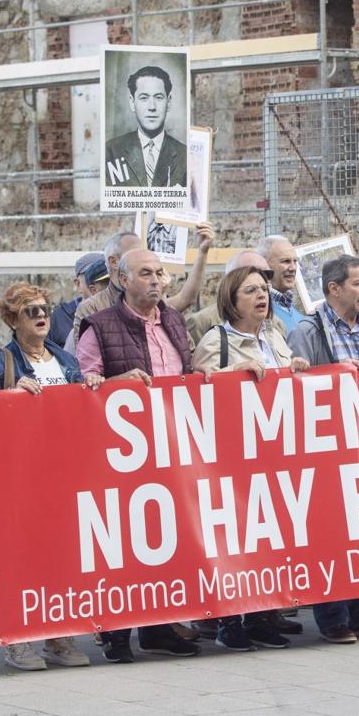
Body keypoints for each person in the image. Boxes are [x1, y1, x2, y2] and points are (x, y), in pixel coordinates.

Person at [76, 248, 202, 660]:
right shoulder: (100, 325)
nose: (155, 280)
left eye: (160, 273)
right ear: (123, 280)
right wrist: (118, 383)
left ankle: (158, 627)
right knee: (126, 543)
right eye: (145, 273)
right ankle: (116, 633)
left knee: (164, 538)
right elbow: (83, 384)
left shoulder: (174, 320)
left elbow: (186, 371)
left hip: (170, 446)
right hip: (123, 451)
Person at [0, 284, 98, 669]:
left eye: (44, 309)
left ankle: (59, 635)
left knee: (61, 558)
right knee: (22, 560)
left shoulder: (65, 360)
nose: (42, 316)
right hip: (19, 478)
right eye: (30, 311)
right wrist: (7, 398)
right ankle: (18, 638)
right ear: (12, 320)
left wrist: (91, 388)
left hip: (62, 475)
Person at [286, 255, 359, 643]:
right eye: (357, 284)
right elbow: (297, 386)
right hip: (327, 448)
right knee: (331, 533)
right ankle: (333, 615)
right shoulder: (309, 330)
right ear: (333, 289)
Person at [193, 266, 311, 650]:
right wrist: (233, 372)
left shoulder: (274, 335)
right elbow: (197, 392)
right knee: (234, 542)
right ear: (232, 299)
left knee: (270, 541)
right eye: (251, 291)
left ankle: (263, 616)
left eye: (264, 289)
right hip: (232, 459)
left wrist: (293, 368)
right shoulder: (216, 340)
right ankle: (229, 622)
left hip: (274, 454)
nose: (261, 296)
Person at [68, 225, 212, 353]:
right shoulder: (92, 308)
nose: (142, 258)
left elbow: (186, 299)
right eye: (133, 254)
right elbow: (88, 364)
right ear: (114, 262)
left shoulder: (158, 307)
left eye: (158, 273)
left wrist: (202, 252)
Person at [104, 65, 186, 188]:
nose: (152, 107)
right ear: (132, 103)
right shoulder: (111, 151)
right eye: (144, 98)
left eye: (158, 97)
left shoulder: (184, 156)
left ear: (168, 102)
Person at [186, 249, 282, 345]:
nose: (259, 278)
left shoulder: (277, 325)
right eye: (249, 273)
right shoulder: (202, 323)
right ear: (230, 281)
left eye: (266, 274)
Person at [50, 252, 103, 348]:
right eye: (92, 276)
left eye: (104, 278)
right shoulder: (59, 317)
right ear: (78, 284)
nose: (99, 284)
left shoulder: (118, 312)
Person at [257, 235, 307, 332]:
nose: (293, 268)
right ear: (264, 264)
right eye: (286, 261)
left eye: (295, 261)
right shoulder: (259, 313)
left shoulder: (301, 317)